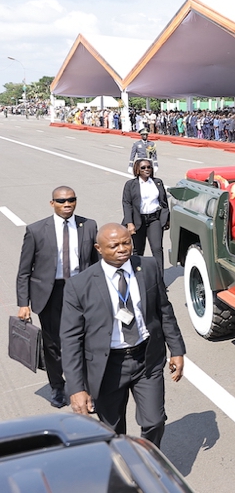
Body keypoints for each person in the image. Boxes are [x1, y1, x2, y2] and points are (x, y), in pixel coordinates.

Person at [61, 223, 186, 448]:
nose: (122, 249)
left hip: (146, 360)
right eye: (114, 245)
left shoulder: (148, 267)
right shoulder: (79, 285)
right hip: (108, 367)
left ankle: (147, 461)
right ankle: (120, 465)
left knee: (154, 421)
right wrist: (76, 388)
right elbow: (70, 340)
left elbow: (164, 311)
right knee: (112, 429)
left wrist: (177, 350)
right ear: (99, 248)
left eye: (126, 242)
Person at [16, 186, 99, 408]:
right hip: (49, 294)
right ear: (52, 203)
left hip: (80, 291)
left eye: (71, 200)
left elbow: (96, 264)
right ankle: (57, 387)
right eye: (61, 201)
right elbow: (24, 270)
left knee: (84, 341)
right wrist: (23, 303)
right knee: (53, 345)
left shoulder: (88, 226)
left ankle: (85, 389)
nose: (67, 204)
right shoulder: (36, 230)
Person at [121, 160, 170, 272]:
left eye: (149, 167)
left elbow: (164, 202)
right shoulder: (130, 184)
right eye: (143, 168)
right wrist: (129, 223)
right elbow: (126, 204)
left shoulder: (157, 182)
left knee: (157, 249)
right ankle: (138, 277)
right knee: (138, 250)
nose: (147, 169)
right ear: (137, 170)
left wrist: (167, 219)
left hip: (154, 219)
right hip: (138, 220)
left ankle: (159, 281)